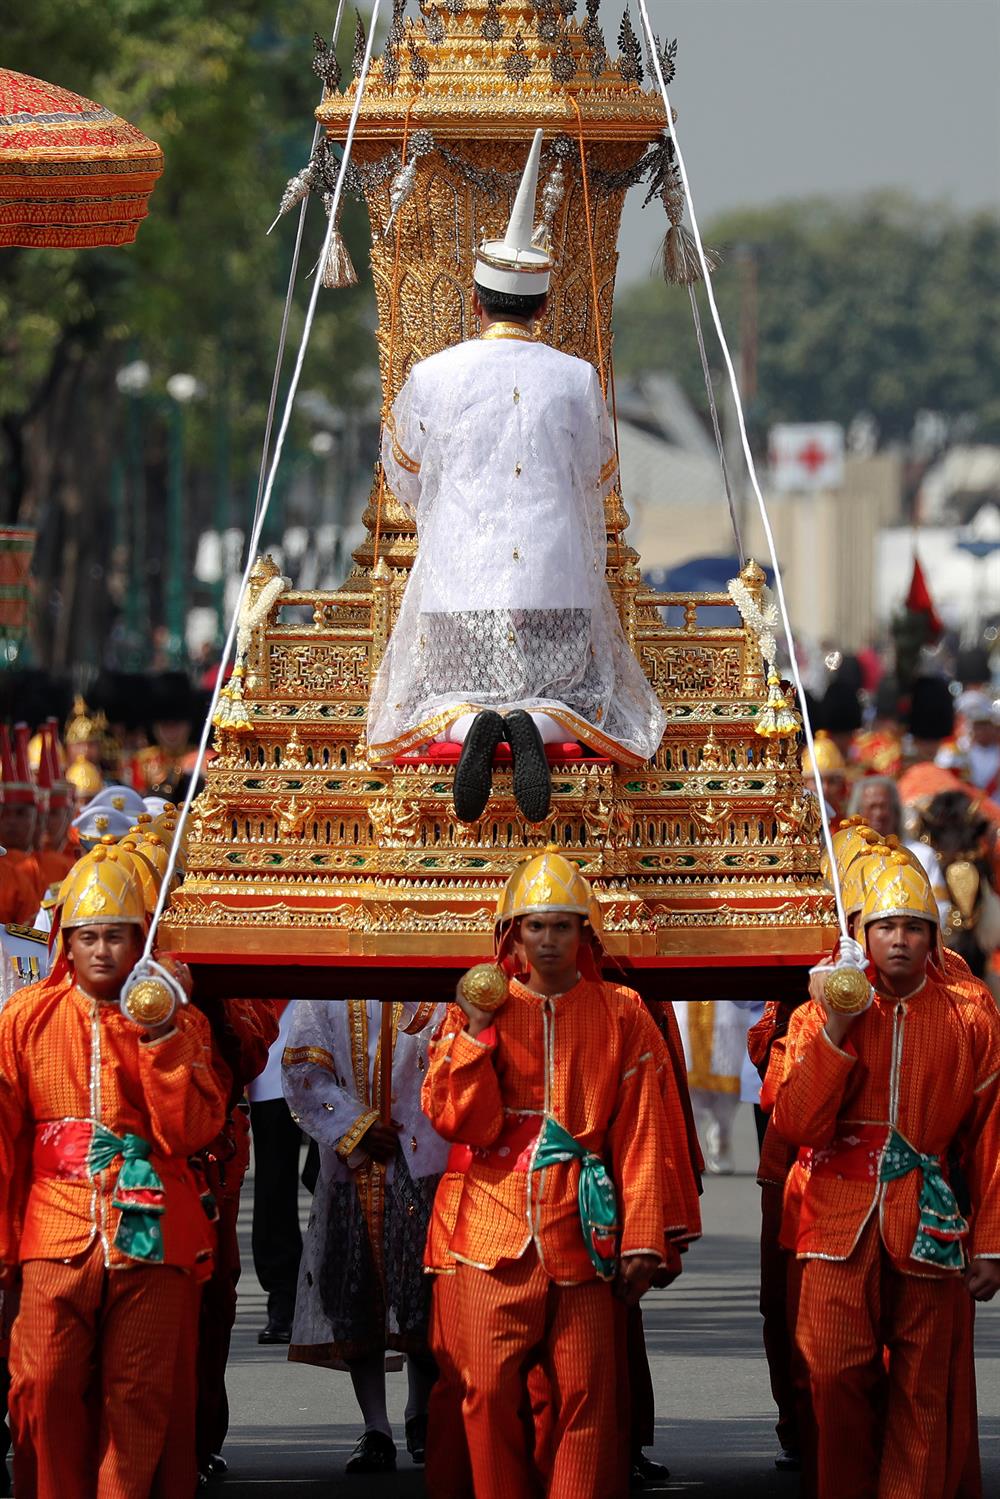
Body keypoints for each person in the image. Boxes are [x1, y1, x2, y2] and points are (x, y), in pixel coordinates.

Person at [366, 130, 665, 823]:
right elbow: (600, 475)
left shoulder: (432, 375)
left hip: (455, 581)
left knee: (434, 707)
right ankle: (534, 723)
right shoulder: (578, 376)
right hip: (553, 580)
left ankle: (475, 728)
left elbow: (402, 475)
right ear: (542, 305)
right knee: (583, 704)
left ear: (475, 302)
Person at [421, 848, 699, 1499]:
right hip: (491, 1227)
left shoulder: (623, 1011)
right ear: (512, 933)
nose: (548, 939)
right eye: (535, 925)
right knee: (483, 1390)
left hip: (587, 1226)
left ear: (585, 933)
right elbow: (459, 1121)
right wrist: (477, 1034)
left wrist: (643, 1234)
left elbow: (644, 1131)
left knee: (588, 1400)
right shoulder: (475, 1008)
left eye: (562, 925)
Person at [0, 844, 228, 1499]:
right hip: (54, 1224)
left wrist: (160, 1037)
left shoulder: (175, 1017)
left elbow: (191, 1131)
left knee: (142, 1400)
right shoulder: (24, 1017)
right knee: (40, 1381)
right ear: (64, 944)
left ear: (140, 942)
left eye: (117, 936)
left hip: (151, 1226)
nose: (102, 950)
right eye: (88, 936)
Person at [771, 852, 1000, 1499]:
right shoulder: (823, 1007)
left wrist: (991, 1240)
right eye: (885, 926)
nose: (899, 939)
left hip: (929, 1217)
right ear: (861, 933)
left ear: (933, 938)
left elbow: (993, 1133)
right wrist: (837, 1028)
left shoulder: (970, 1010)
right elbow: (796, 1122)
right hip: (836, 1216)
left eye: (913, 926)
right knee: (833, 1372)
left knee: (924, 1386)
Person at [282, 997, 447, 1475]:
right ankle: (376, 1428)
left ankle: (422, 1412)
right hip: (350, 1165)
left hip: (428, 1155)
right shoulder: (328, 987)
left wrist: (419, 1124)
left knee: (426, 1290)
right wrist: (355, 1126)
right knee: (352, 1296)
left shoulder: (433, 969)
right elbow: (303, 1067)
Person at [248, 1001, 303, 1343]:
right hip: (272, 1038)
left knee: (332, 1176)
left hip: (341, 1022)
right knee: (273, 1184)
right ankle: (284, 1295)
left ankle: (339, 1290)